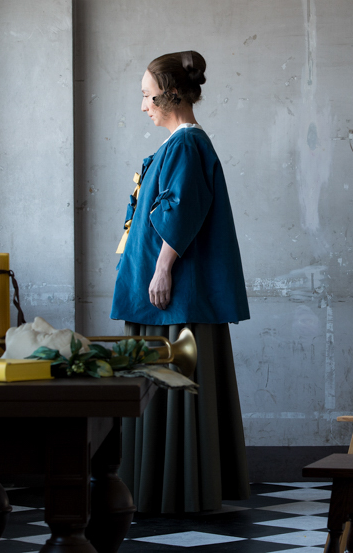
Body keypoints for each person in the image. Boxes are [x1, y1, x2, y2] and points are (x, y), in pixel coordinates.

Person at [111, 51, 250, 513]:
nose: (143, 105)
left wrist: (163, 268)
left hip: (171, 297)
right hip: (164, 296)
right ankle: (164, 487)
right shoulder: (179, 144)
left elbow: (183, 208)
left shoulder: (187, 145)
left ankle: (172, 491)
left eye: (147, 96)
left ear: (170, 94)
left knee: (171, 378)